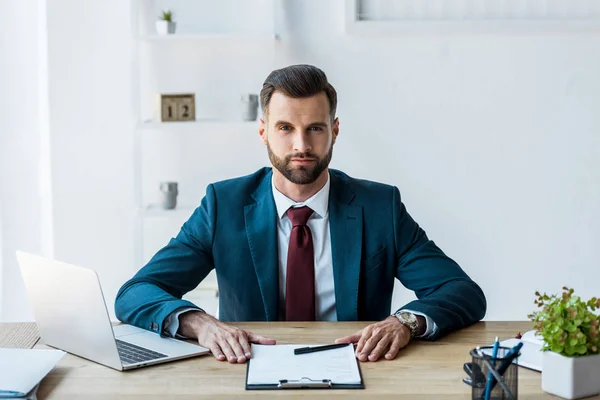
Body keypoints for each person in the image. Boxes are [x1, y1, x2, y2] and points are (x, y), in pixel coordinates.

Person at [115, 64, 486, 364]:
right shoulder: (222, 205)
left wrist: (403, 322)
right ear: (263, 131)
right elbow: (135, 293)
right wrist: (202, 324)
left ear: (335, 131)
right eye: (285, 128)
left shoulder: (379, 207)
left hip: (359, 369)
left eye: (315, 129)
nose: (301, 145)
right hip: (245, 370)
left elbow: (462, 292)